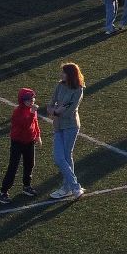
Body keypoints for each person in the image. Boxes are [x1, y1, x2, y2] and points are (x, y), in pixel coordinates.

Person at [47, 62, 87, 198]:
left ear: (70, 74)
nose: (61, 74)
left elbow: (69, 111)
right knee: (61, 158)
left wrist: (56, 111)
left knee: (63, 157)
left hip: (70, 126)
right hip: (58, 126)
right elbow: (50, 105)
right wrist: (55, 110)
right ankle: (73, 187)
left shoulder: (78, 90)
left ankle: (68, 188)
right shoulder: (60, 85)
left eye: (64, 72)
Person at [0, 88, 42, 202]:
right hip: (17, 142)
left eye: (32, 99)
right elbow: (25, 125)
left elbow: (35, 122)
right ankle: (3, 192)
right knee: (13, 167)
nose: (31, 101)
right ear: (22, 101)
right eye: (28, 100)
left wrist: (38, 135)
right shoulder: (17, 112)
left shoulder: (32, 110)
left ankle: (27, 186)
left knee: (30, 164)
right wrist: (32, 113)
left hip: (29, 141)